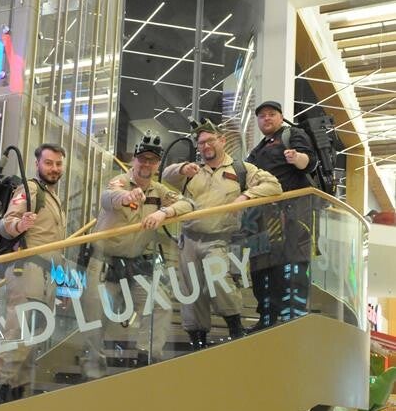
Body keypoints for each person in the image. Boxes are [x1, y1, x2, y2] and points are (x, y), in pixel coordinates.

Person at [162, 120, 281, 350]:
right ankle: (197, 340)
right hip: (189, 238)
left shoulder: (241, 169)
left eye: (210, 140)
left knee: (219, 280)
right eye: (201, 143)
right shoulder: (193, 171)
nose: (205, 146)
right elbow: (165, 176)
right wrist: (182, 168)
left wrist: (246, 196)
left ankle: (235, 326)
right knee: (191, 290)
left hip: (219, 238)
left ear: (222, 140)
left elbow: (274, 186)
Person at [81, 134, 194, 370]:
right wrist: (127, 196)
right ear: (134, 160)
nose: (146, 164)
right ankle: (93, 365)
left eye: (152, 160)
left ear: (158, 165)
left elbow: (188, 204)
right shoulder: (120, 182)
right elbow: (108, 197)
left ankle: (147, 358)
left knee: (160, 304)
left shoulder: (159, 191)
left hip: (136, 264)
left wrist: (164, 213)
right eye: (142, 159)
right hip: (105, 263)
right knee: (96, 317)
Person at [0, 143, 67, 403]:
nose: (54, 168)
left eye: (58, 163)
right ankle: (1, 396)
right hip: (28, 271)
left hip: (47, 276)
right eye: (48, 163)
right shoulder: (31, 189)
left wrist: (62, 284)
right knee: (17, 335)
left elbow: (57, 246)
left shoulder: (53, 197)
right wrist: (19, 224)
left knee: (31, 340)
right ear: (37, 164)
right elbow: (4, 224)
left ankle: (18, 396)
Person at [245, 100, 317, 330]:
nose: (266, 118)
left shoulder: (292, 135)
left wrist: (297, 158)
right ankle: (267, 318)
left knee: (291, 266)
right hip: (263, 220)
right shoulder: (256, 151)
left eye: (271, 114)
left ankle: (293, 318)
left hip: (293, 214)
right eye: (262, 116)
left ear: (280, 116)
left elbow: (310, 162)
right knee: (262, 269)